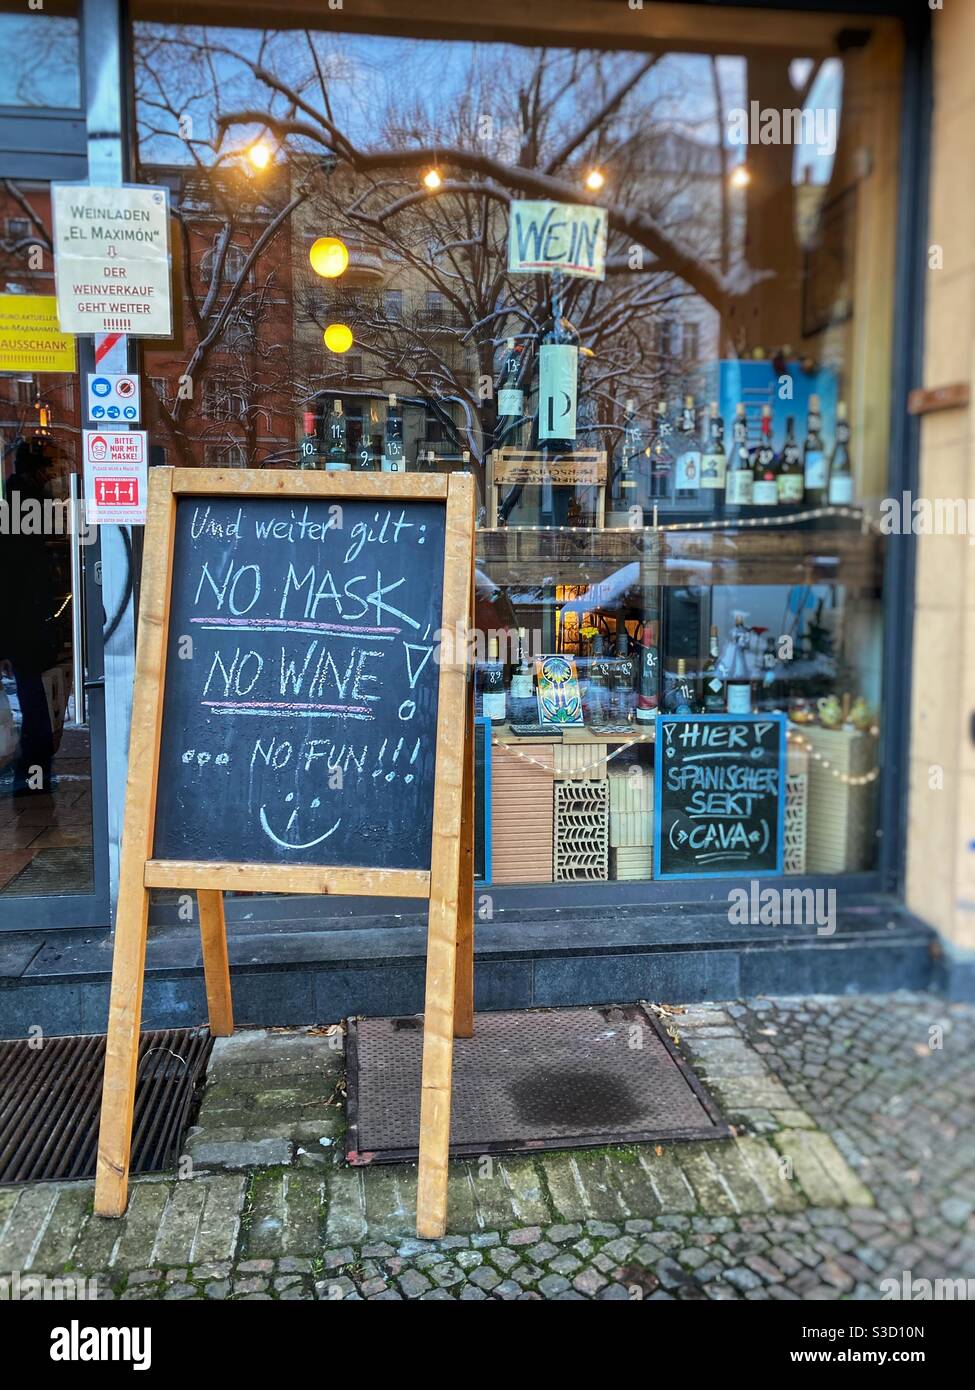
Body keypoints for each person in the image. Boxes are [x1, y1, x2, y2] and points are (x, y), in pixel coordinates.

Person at [0, 437, 58, 795]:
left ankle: (32, 772)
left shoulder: (13, 518)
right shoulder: (35, 516)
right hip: (34, 625)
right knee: (35, 698)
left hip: (23, 628)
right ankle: (33, 771)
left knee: (32, 695)